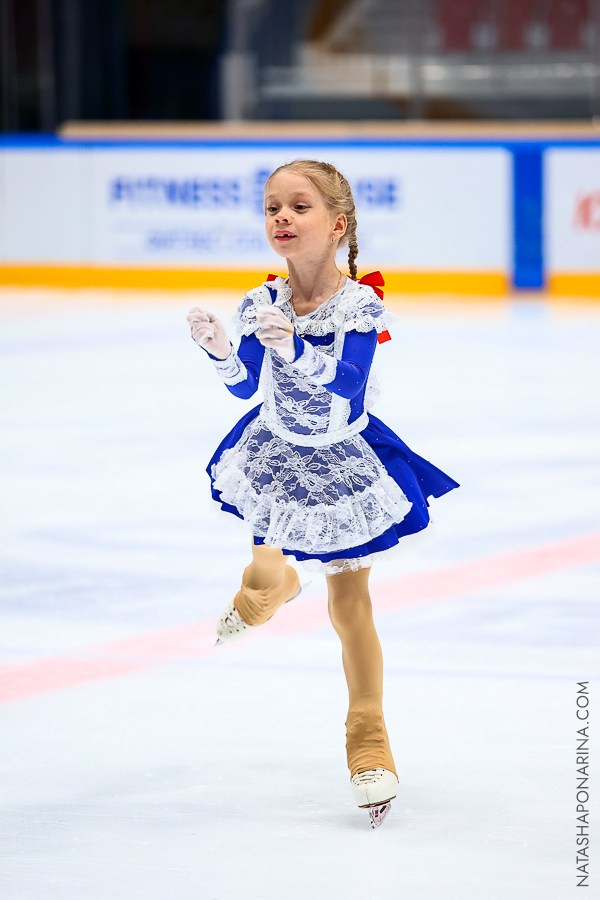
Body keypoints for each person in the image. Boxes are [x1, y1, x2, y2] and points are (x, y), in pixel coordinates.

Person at [187, 159, 460, 829]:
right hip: (277, 452)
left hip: (342, 459)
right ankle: (270, 589)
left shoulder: (359, 304)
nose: (282, 216)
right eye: (272, 207)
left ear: (337, 225)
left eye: (299, 206)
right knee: (263, 571)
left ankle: (368, 737)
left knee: (349, 603)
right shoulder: (262, 300)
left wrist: (296, 353)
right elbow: (245, 386)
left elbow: (349, 386)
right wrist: (221, 351)